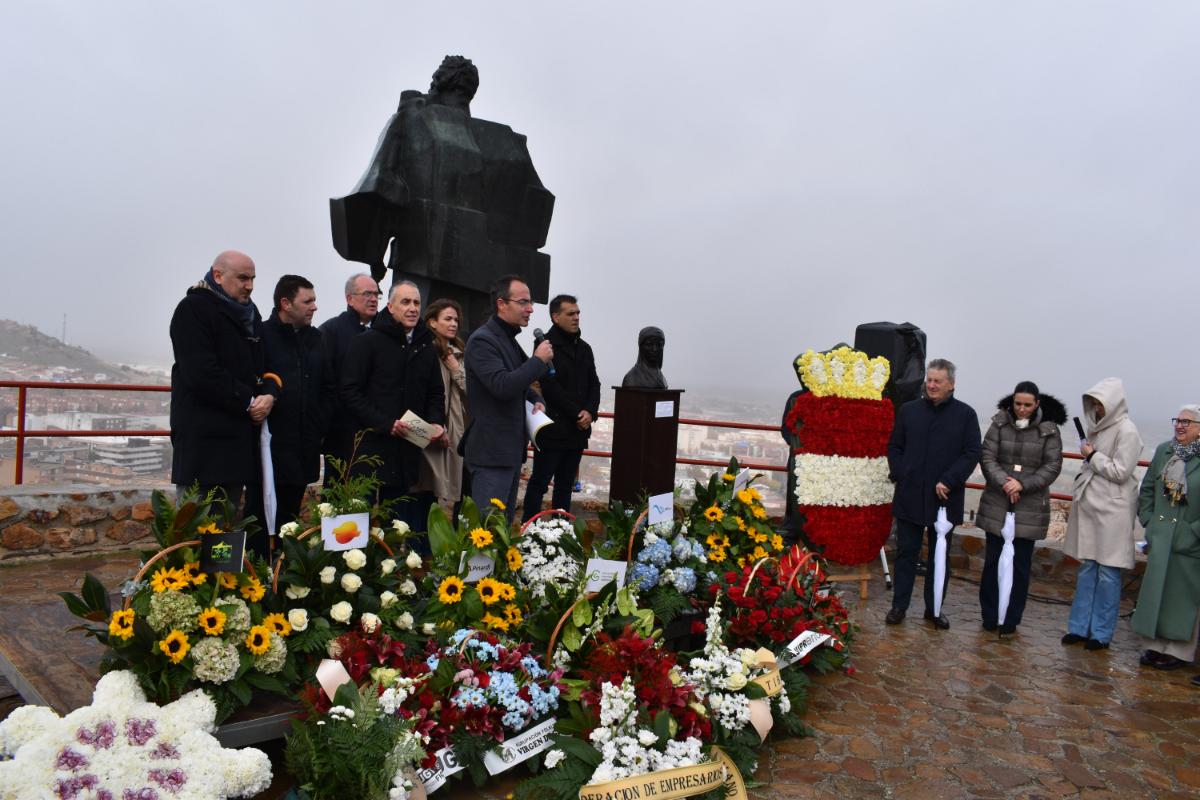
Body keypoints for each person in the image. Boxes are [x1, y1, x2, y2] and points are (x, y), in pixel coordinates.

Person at [169, 250, 278, 547]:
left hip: (237, 444)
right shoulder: (192, 310)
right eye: (243, 278)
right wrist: (248, 401)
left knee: (226, 526)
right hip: (203, 443)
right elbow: (201, 372)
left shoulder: (250, 314)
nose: (250, 285)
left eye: (253, 278)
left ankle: (223, 589)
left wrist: (268, 394)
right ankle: (190, 591)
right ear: (218, 276)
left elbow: (265, 367)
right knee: (195, 529)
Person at [341, 282, 446, 544]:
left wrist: (436, 422)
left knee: (395, 528)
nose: (412, 308)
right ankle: (346, 581)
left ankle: (390, 580)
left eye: (416, 303)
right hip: (368, 447)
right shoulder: (367, 342)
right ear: (390, 306)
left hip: (406, 451)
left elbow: (435, 392)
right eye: (405, 302)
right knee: (354, 524)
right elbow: (350, 392)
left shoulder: (425, 347)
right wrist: (386, 423)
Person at [885, 358, 981, 629]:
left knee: (940, 556)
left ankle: (934, 608)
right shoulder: (909, 410)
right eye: (929, 380)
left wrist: (949, 480)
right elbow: (895, 447)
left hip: (944, 498)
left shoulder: (966, 415)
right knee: (906, 553)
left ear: (951, 384)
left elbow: (972, 452)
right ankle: (899, 606)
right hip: (910, 494)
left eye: (938, 381)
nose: (932, 385)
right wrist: (902, 473)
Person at [976, 382, 1066, 635]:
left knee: (1020, 565)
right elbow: (987, 456)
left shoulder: (1049, 431)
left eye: (1027, 405)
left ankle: (1011, 619)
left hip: (1029, 507)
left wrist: (1022, 485)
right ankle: (990, 615)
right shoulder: (999, 424)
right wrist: (1005, 483)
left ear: (1037, 404)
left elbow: (1052, 465)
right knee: (992, 562)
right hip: (997, 502)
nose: (1022, 409)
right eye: (1018, 404)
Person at [463, 274, 553, 522]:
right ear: (502, 304)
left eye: (530, 302)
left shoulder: (508, 340)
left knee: (501, 533)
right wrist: (538, 360)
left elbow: (520, 384)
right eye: (523, 302)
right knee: (485, 534)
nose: (530, 308)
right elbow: (501, 385)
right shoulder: (483, 341)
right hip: (491, 454)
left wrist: (536, 398)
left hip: (509, 454)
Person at [1062, 377, 1142, 651]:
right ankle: (1078, 627)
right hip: (1091, 506)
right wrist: (1092, 455)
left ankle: (1101, 633)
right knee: (1088, 569)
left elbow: (1121, 471)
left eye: (1100, 404)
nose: (1096, 408)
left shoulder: (1127, 431)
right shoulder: (1097, 428)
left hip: (1112, 510)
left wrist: (1092, 455)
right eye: (1093, 404)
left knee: (1108, 573)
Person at [1131, 405, 1200, 677]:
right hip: (1161, 537)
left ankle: (1178, 650)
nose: (1180, 426)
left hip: (1190, 541)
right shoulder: (1164, 451)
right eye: (1177, 420)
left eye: (1187, 422)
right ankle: (1154, 645)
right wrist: (1149, 521)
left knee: (1181, 597)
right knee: (1156, 592)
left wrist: (1193, 532)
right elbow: (1148, 488)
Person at [262, 275, 334, 529]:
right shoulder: (262, 336)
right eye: (307, 301)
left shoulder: (316, 339)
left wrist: (319, 425)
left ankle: (285, 565)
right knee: (263, 518)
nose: (314, 307)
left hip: (305, 447)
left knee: (290, 520)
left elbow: (328, 386)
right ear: (286, 303)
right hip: (270, 447)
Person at [521, 294, 601, 521]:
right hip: (552, 430)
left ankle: (560, 534)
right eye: (570, 314)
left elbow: (594, 383)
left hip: (577, 431)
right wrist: (578, 412)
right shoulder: (545, 345)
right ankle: (531, 530)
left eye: (578, 313)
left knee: (565, 486)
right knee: (539, 483)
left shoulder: (584, 348)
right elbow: (549, 385)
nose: (576, 317)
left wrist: (590, 412)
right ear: (556, 317)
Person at [318, 273, 380, 481]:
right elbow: (324, 380)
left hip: (377, 427)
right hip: (341, 431)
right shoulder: (331, 331)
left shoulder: (384, 331)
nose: (373, 299)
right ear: (349, 298)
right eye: (367, 294)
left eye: (376, 294)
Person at [414, 299, 468, 514]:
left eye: (456, 319)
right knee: (423, 486)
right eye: (448, 318)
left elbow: (471, 392)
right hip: (429, 426)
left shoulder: (458, 353)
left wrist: (456, 369)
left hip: (454, 428)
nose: (454, 323)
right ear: (433, 322)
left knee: (438, 491)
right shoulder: (426, 350)